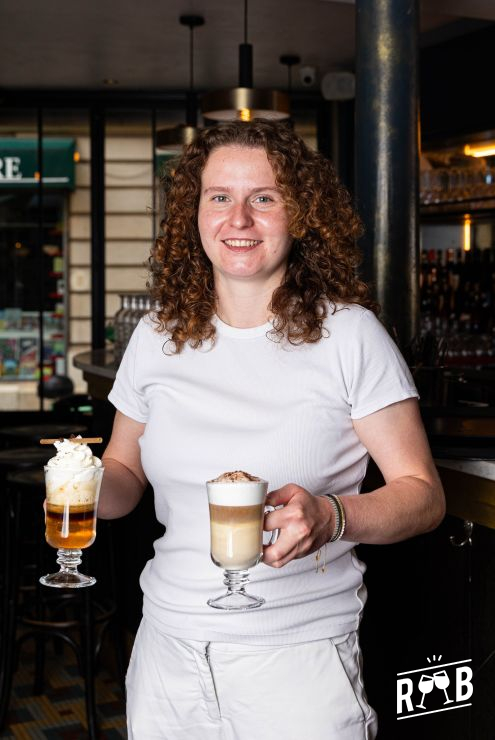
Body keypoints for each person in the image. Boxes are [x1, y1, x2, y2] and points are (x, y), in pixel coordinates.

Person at [100, 120, 445, 740]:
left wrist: (333, 516)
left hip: (298, 663)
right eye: (219, 197)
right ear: (194, 214)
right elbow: (123, 476)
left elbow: (423, 496)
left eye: (264, 197)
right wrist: (81, 487)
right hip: (166, 655)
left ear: (301, 214)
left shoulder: (350, 335)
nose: (239, 218)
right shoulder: (156, 336)